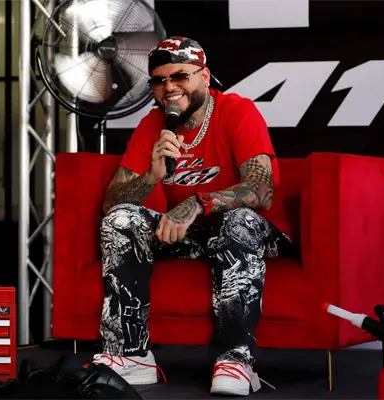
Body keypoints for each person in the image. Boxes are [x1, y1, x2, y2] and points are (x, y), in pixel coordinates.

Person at [92, 36, 296, 396]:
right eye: (159, 80)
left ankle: (235, 359)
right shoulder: (153, 125)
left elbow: (261, 190)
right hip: (190, 237)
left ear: (204, 76)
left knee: (237, 222)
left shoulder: (236, 110)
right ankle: (131, 355)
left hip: (250, 233)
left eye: (180, 76)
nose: (169, 87)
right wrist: (151, 176)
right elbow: (112, 202)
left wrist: (197, 203)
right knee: (120, 220)